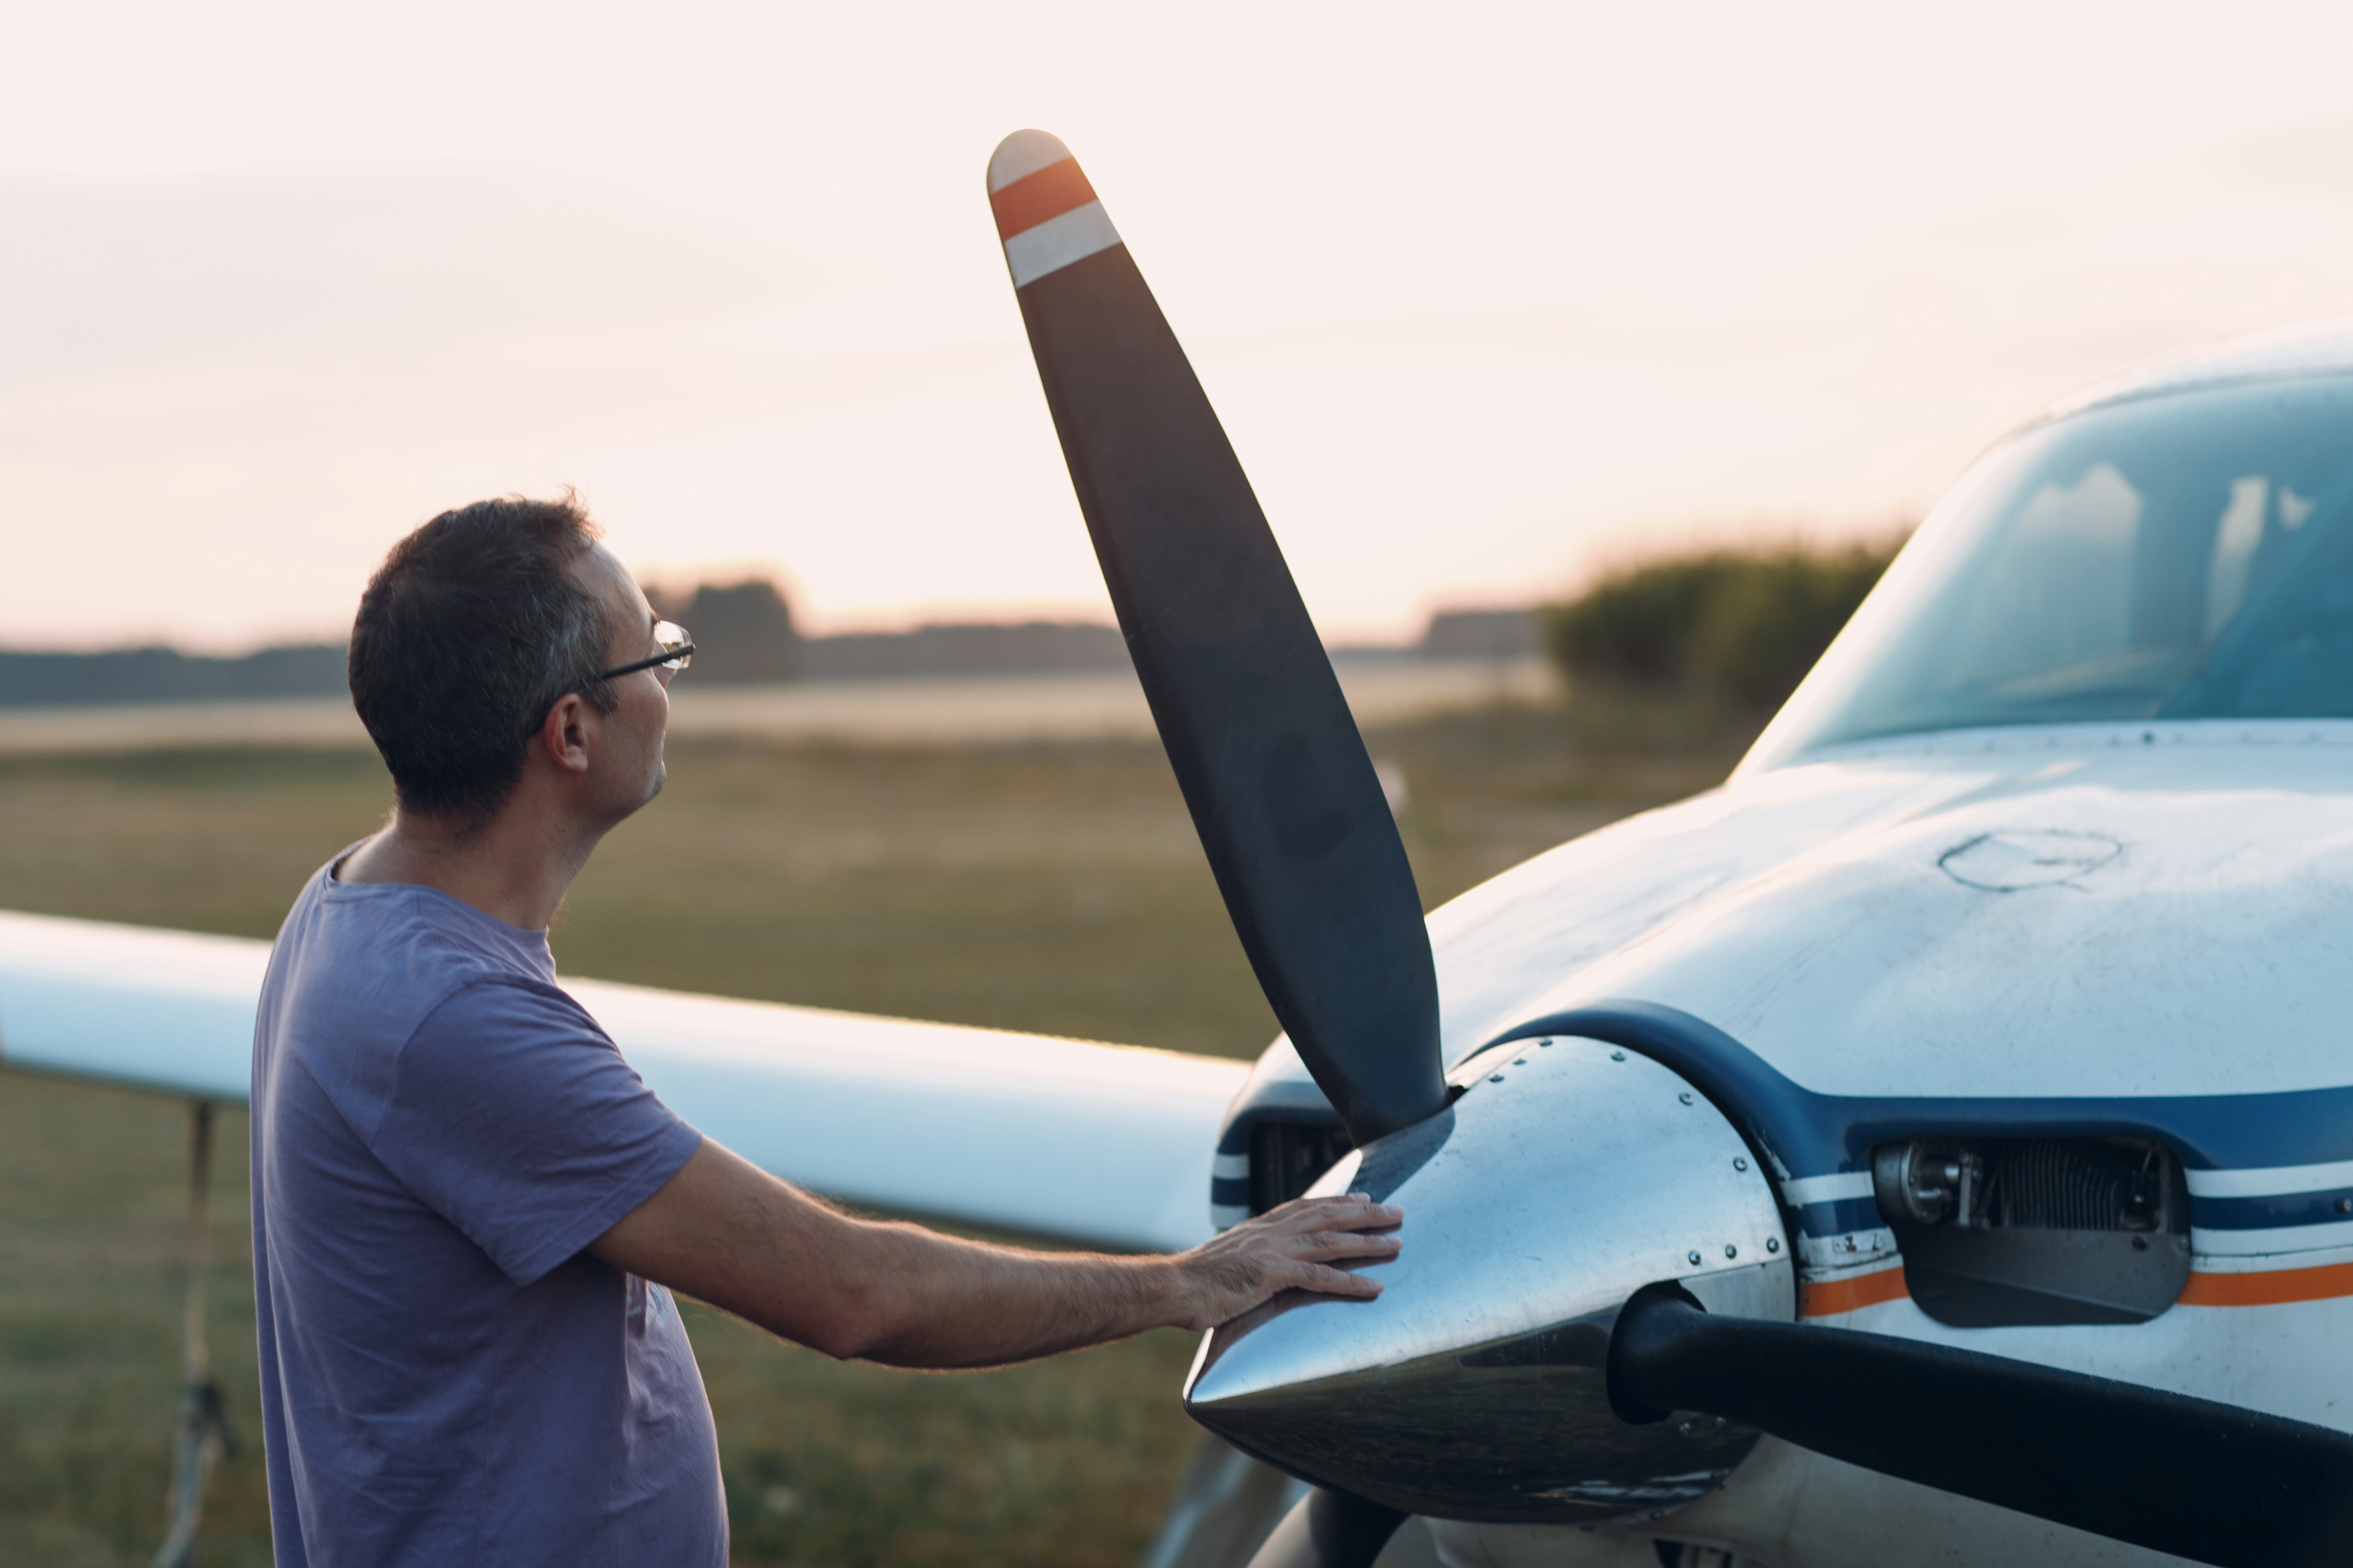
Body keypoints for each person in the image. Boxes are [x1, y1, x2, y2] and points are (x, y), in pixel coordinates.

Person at [247, 494, 1400, 1567]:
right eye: (657, 652)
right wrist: (1186, 1286)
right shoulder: (451, 1019)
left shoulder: (347, 904)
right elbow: (855, 1296)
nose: (670, 680)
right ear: (570, 734)